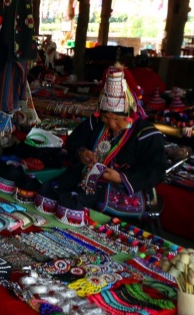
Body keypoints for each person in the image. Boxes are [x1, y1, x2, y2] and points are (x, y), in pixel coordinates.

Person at [37, 65, 166, 225]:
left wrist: (122, 178)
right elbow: (73, 141)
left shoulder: (146, 134)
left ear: (130, 115)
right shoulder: (95, 122)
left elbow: (156, 169)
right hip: (83, 177)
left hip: (119, 188)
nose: (110, 124)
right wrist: (81, 152)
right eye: (106, 118)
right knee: (49, 192)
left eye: (116, 120)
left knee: (76, 204)